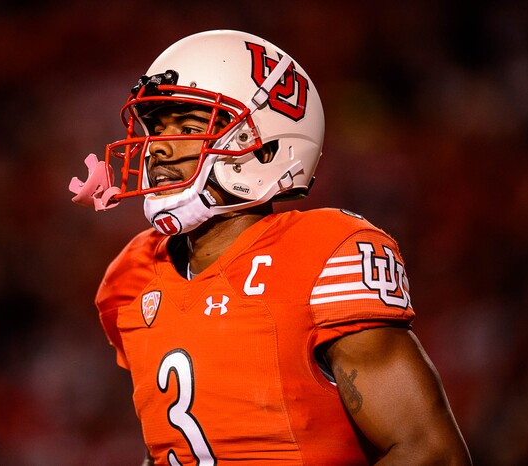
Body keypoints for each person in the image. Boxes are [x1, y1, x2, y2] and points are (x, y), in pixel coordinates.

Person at [70, 30, 471, 465]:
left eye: (188, 128)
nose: (159, 148)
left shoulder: (321, 253)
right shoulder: (132, 275)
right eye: (157, 128)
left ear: (264, 148)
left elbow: (432, 452)